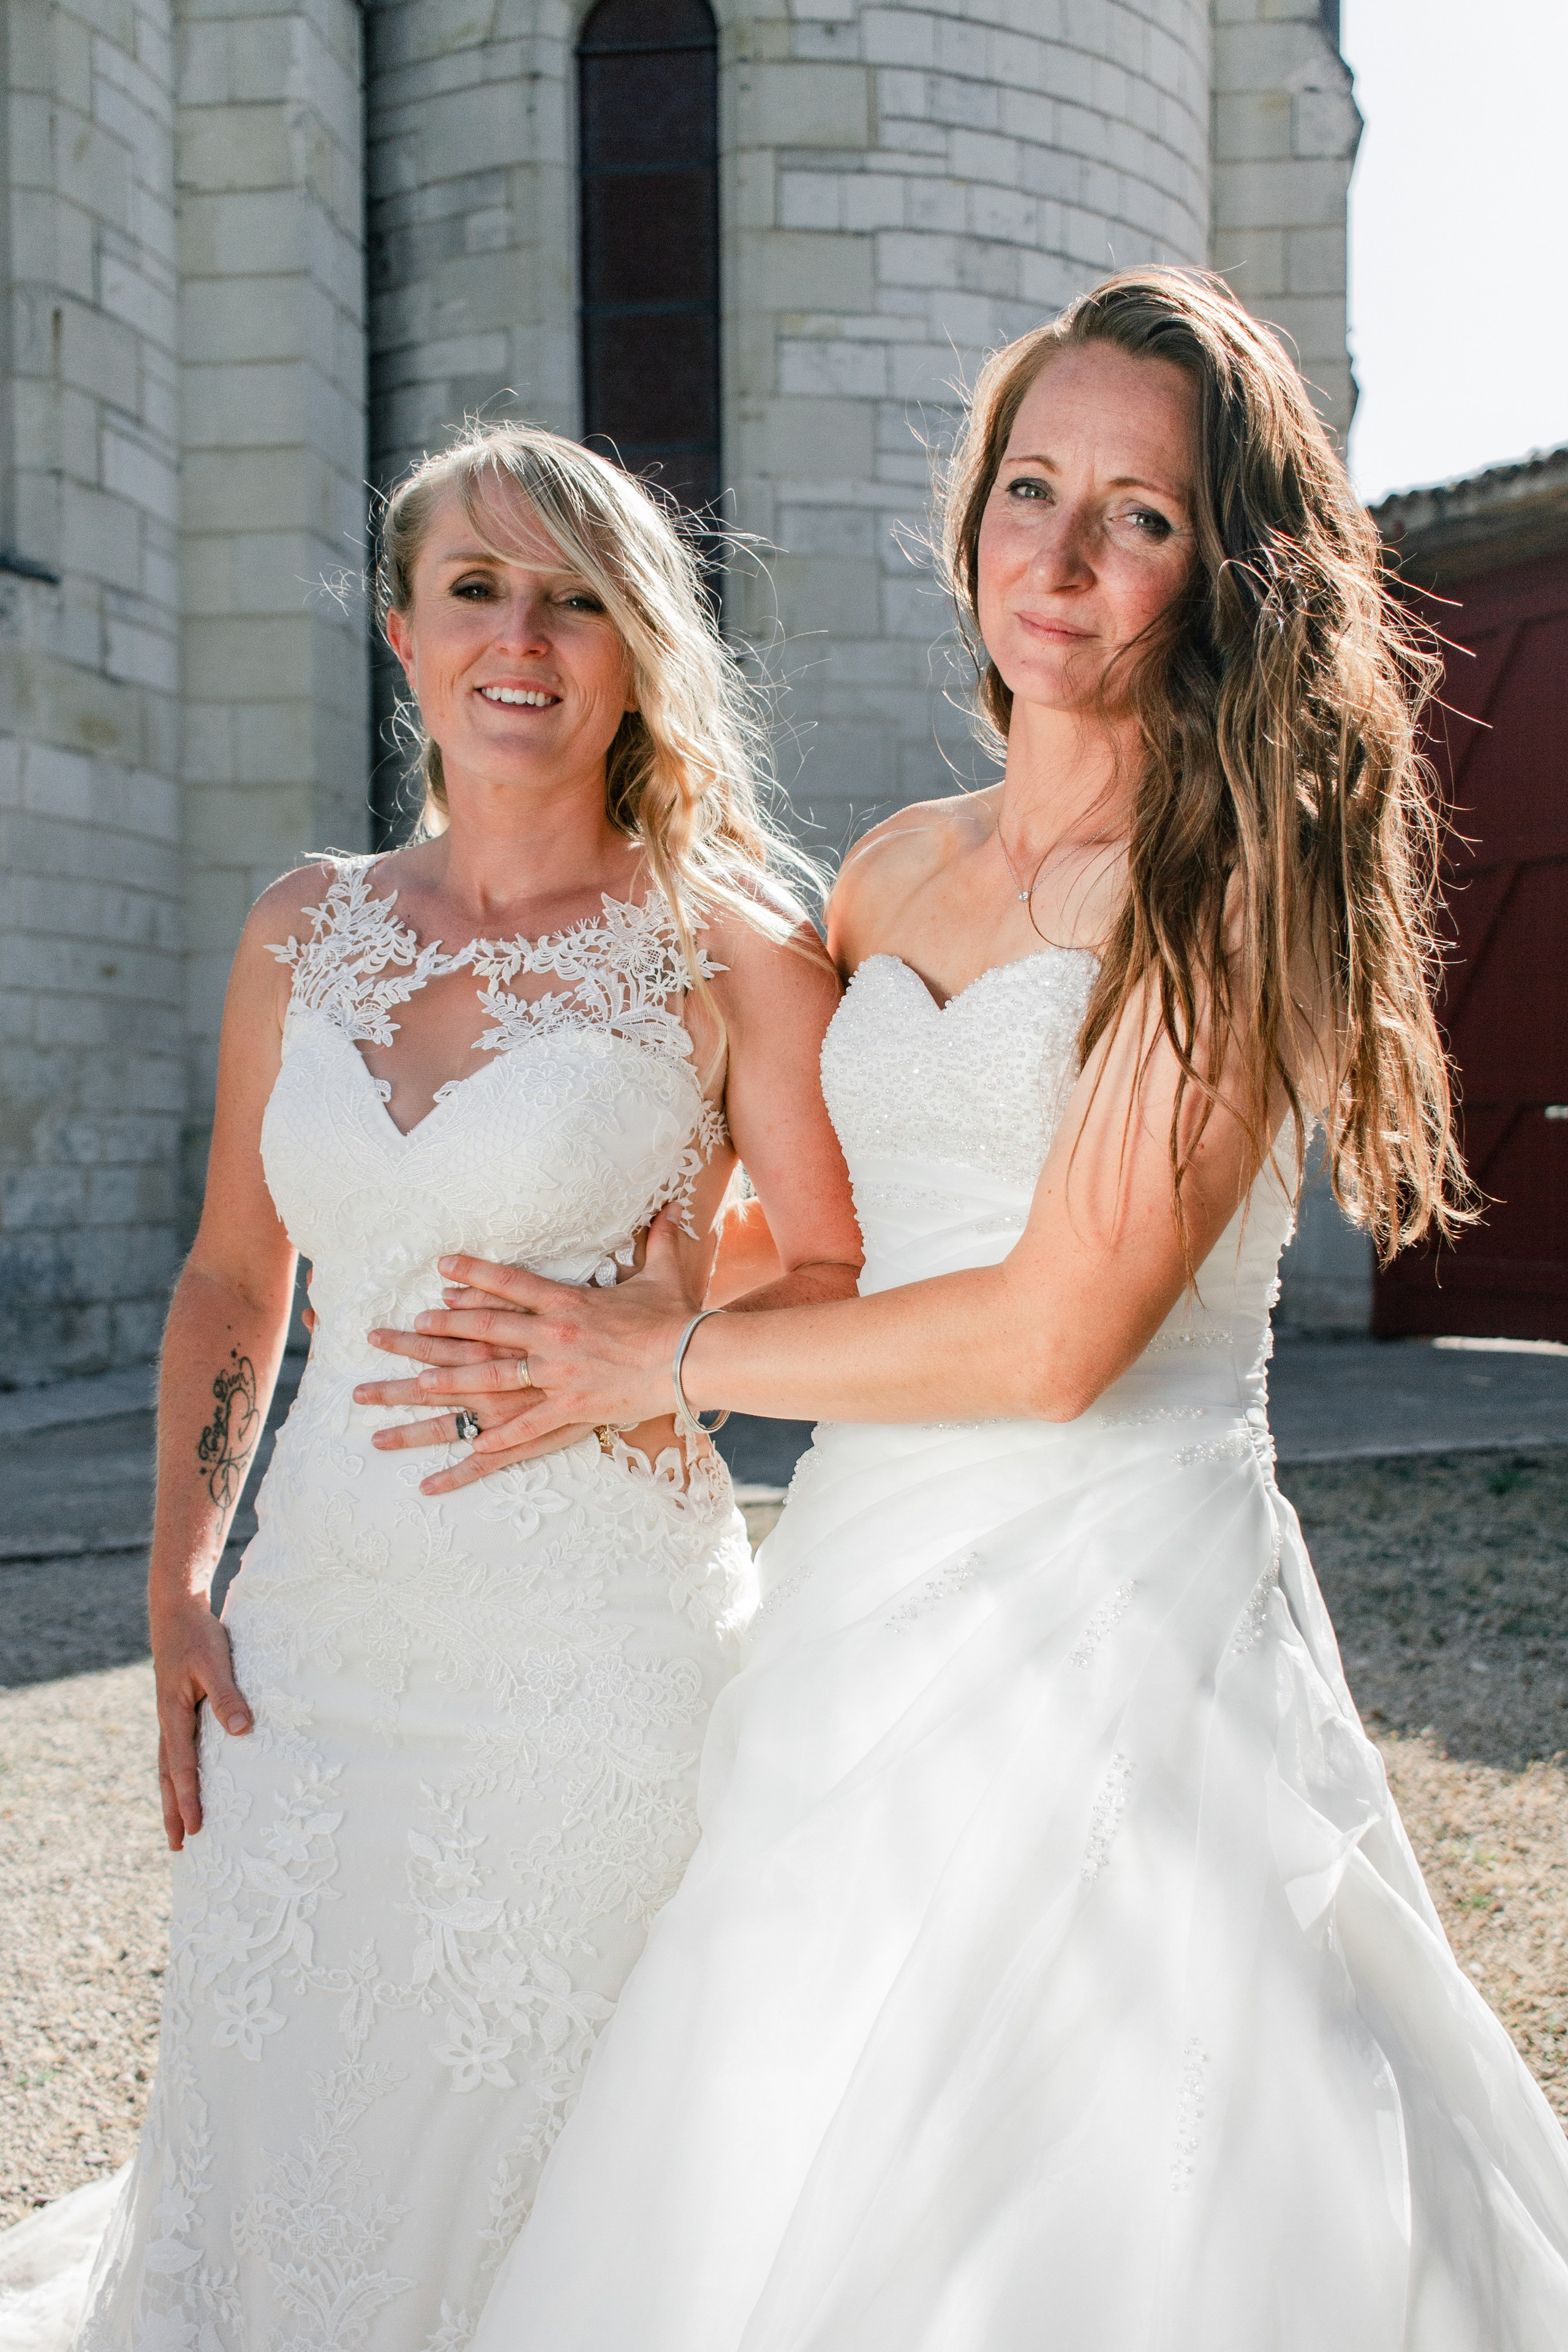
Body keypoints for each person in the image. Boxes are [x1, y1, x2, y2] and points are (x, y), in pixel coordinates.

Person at [372, 272, 1568, 2346]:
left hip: (1116, 1599)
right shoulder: (891, 876)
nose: (1068, 553)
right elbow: (840, 1243)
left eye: (1144, 515)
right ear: (974, 516)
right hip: (864, 1579)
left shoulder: (1232, 884)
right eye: (1034, 488)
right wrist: (579, 1294)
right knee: (780, 2091)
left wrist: (655, 1364)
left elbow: (1045, 1338)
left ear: (1227, 571)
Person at [55, 424, 864, 2352]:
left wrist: (647, 1347)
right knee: (290, 2105)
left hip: (592, 1657)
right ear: (403, 635)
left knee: (544, 2138)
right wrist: (179, 1582)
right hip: (315, 1634)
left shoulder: (728, 943)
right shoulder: (297, 927)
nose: (527, 637)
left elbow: (840, 1262)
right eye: (478, 591)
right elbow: (239, 1276)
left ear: (639, 648)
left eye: (579, 597)